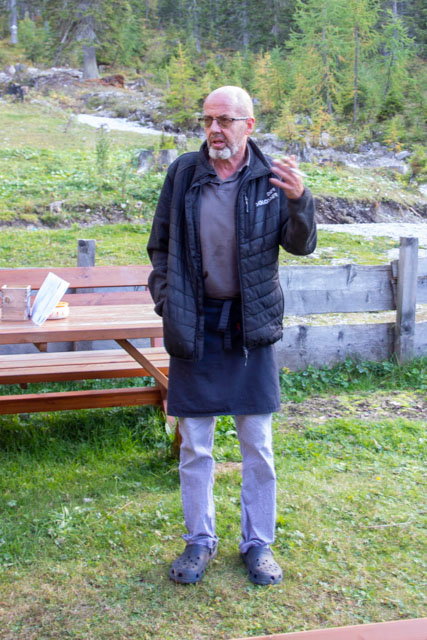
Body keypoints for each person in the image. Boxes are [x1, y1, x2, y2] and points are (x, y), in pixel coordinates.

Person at [147, 85, 316, 585]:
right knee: (195, 445)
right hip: (194, 323)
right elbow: (159, 245)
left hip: (249, 328)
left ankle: (258, 543)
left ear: (249, 125)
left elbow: (301, 245)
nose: (214, 130)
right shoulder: (183, 173)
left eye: (224, 120)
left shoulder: (271, 179)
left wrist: (300, 201)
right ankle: (199, 540)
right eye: (207, 120)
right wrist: (167, 299)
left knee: (257, 444)